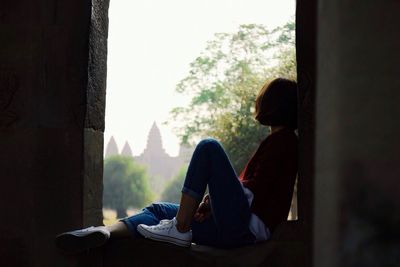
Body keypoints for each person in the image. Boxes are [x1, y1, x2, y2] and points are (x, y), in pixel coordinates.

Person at [55, 78, 298, 253]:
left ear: (272, 105)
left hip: (244, 229)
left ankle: (180, 227)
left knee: (208, 147)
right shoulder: (276, 141)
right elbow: (252, 189)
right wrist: (210, 203)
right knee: (159, 210)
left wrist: (212, 201)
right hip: (231, 229)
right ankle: (103, 232)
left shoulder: (284, 141)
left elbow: (255, 190)